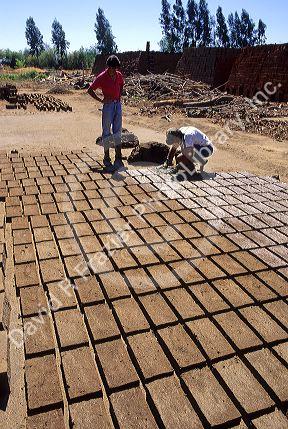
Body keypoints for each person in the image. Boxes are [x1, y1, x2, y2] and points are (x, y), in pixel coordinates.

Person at [88, 55, 124, 172]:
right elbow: (90, 90)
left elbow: (122, 84)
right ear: (108, 67)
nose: (114, 71)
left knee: (118, 131)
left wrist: (119, 97)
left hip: (117, 105)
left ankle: (118, 157)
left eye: (116, 68)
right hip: (108, 106)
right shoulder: (102, 77)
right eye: (112, 68)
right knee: (107, 131)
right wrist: (101, 100)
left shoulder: (119, 75)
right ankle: (106, 157)